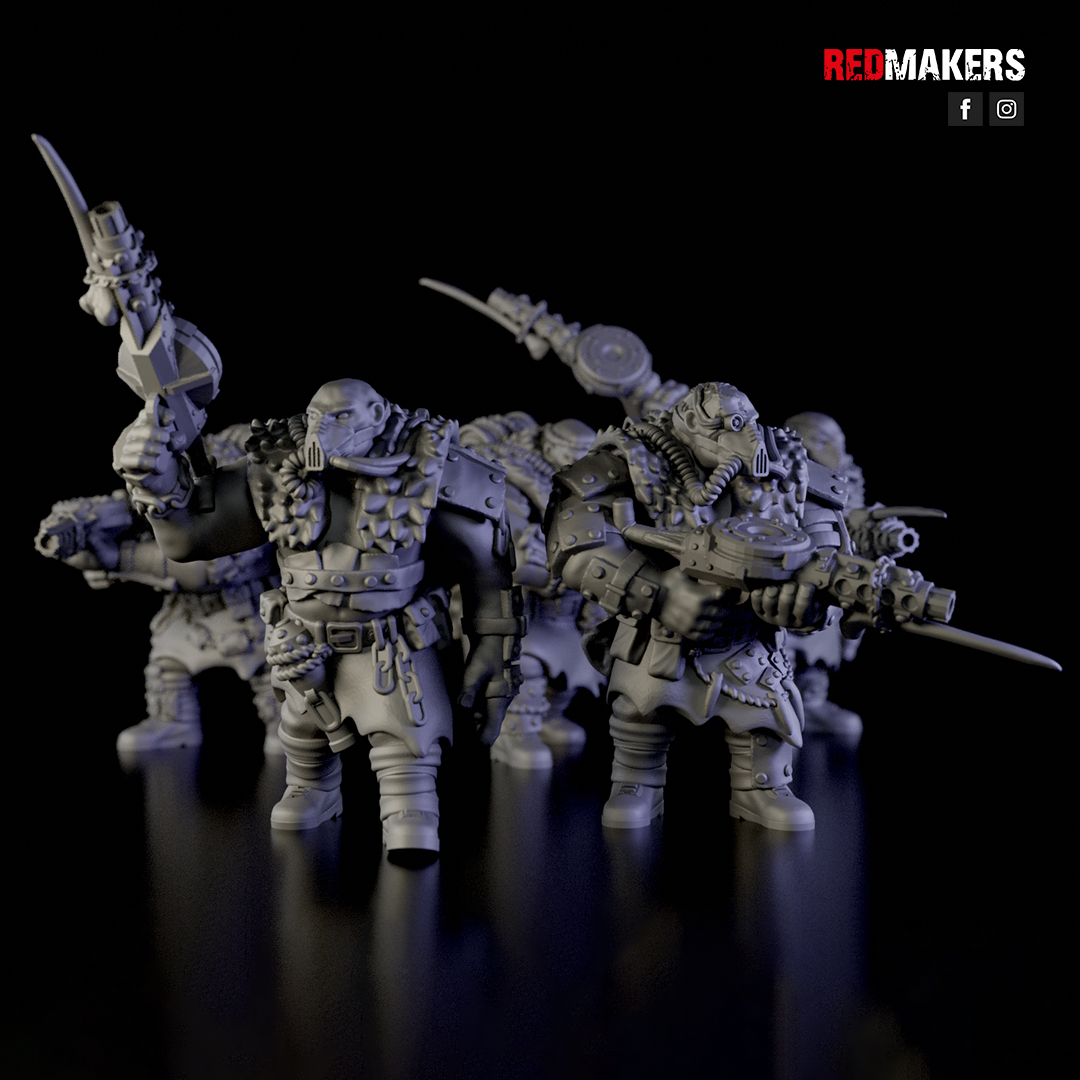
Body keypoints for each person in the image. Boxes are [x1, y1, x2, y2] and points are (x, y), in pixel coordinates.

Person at [114, 379, 522, 859]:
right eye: (317, 418)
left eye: (342, 417)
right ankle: (312, 787)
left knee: (404, 738)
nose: (324, 431)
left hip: (388, 640)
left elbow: (486, 571)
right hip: (303, 635)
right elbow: (188, 540)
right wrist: (154, 474)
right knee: (301, 727)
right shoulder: (274, 467)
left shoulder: (431, 464)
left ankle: (411, 804)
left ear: (377, 416)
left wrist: (492, 650)